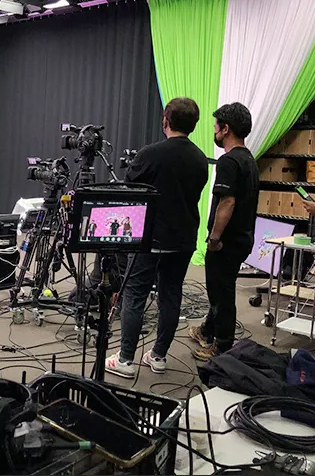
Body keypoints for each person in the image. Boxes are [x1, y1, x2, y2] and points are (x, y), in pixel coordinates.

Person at [105, 97, 208, 379]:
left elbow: (130, 185)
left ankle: (125, 359)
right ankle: (159, 356)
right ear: (194, 124)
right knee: (171, 296)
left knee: (134, 295)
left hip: (150, 238)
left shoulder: (150, 154)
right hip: (184, 238)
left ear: (166, 120)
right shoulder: (200, 158)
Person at [189, 102, 258, 361]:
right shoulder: (249, 159)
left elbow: (227, 202)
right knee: (221, 287)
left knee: (221, 293)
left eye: (216, 127)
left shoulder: (229, 161)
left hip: (226, 241)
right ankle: (207, 331)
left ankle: (222, 346)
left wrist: (215, 238)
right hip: (243, 238)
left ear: (225, 129)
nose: (214, 131)